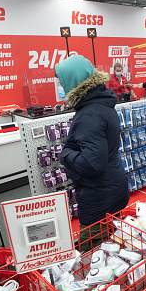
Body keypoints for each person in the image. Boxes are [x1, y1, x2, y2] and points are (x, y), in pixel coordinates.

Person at [55, 55, 129, 252]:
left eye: (62, 82)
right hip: (110, 189)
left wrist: (66, 154)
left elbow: (93, 163)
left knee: (94, 257)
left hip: (99, 198)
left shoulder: (89, 114)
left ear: (73, 81)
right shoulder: (101, 105)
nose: (61, 87)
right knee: (113, 250)